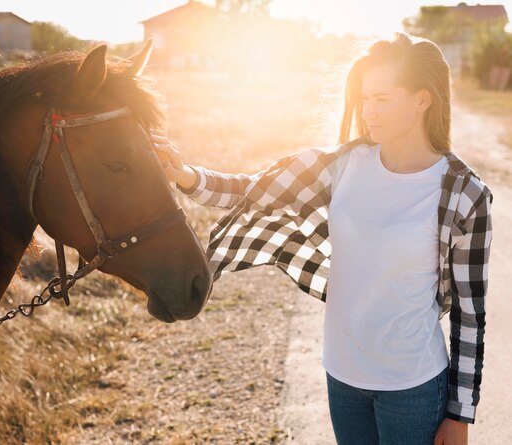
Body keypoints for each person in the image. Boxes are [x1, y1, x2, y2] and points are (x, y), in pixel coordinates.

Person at [151, 32, 493, 445]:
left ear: (423, 100)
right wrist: (185, 175)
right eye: (365, 98)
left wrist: (460, 415)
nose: (368, 111)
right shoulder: (342, 165)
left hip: (414, 386)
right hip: (342, 375)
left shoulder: (464, 194)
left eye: (382, 99)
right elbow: (253, 191)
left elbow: (471, 315)